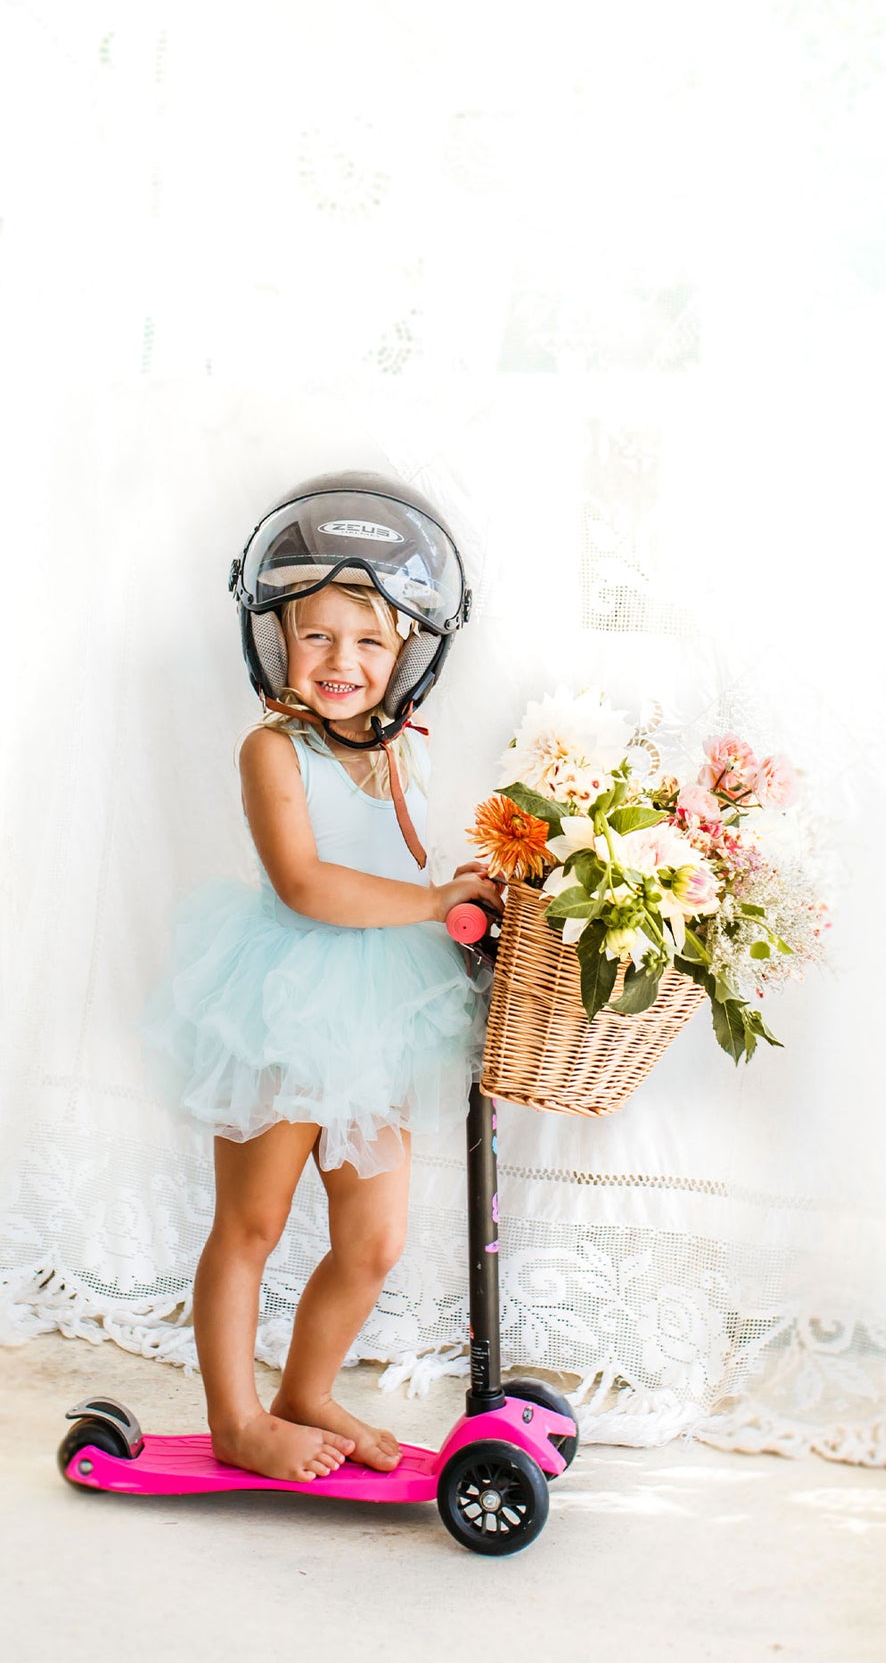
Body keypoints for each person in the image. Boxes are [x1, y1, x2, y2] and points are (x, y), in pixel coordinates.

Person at [142, 473, 502, 1486]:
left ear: (408, 655)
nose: (343, 661)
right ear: (276, 638)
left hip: (380, 1013)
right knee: (250, 1225)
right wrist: (434, 903)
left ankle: (304, 1389)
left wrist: (461, 885)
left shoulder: (407, 750)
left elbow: (398, 870)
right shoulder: (272, 750)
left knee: (375, 1240)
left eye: (370, 642)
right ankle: (236, 1420)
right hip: (281, 1004)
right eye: (319, 636)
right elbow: (305, 884)